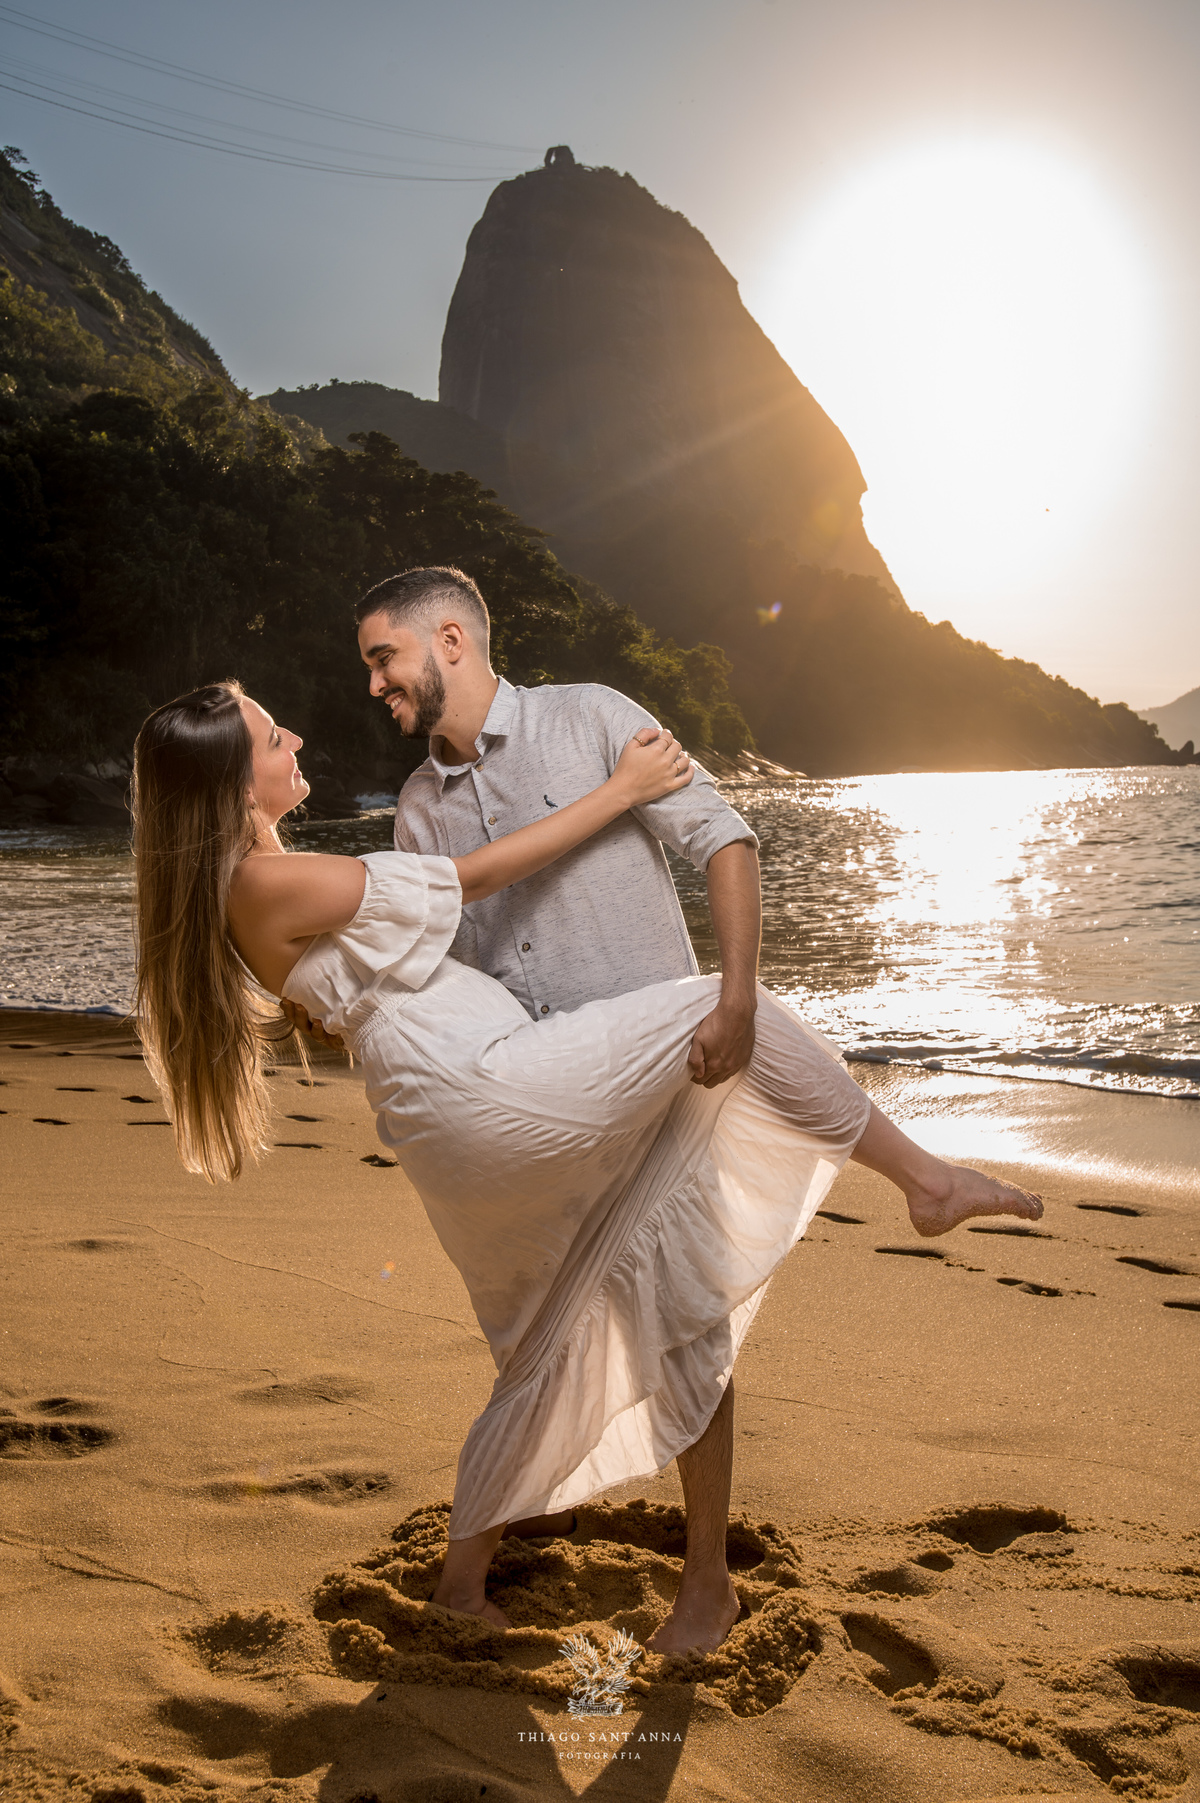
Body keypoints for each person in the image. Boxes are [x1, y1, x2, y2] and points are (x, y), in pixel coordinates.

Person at [135, 676, 1043, 1655]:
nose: (297, 736)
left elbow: (386, 958)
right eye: (274, 737)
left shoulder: (258, 891)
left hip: (457, 1113)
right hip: (492, 1086)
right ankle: (926, 1181)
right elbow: (471, 882)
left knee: (549, 1338)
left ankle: (464, 1586)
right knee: (729, 1006)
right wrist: (619, 791)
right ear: (234, 785)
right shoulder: (267, 884)